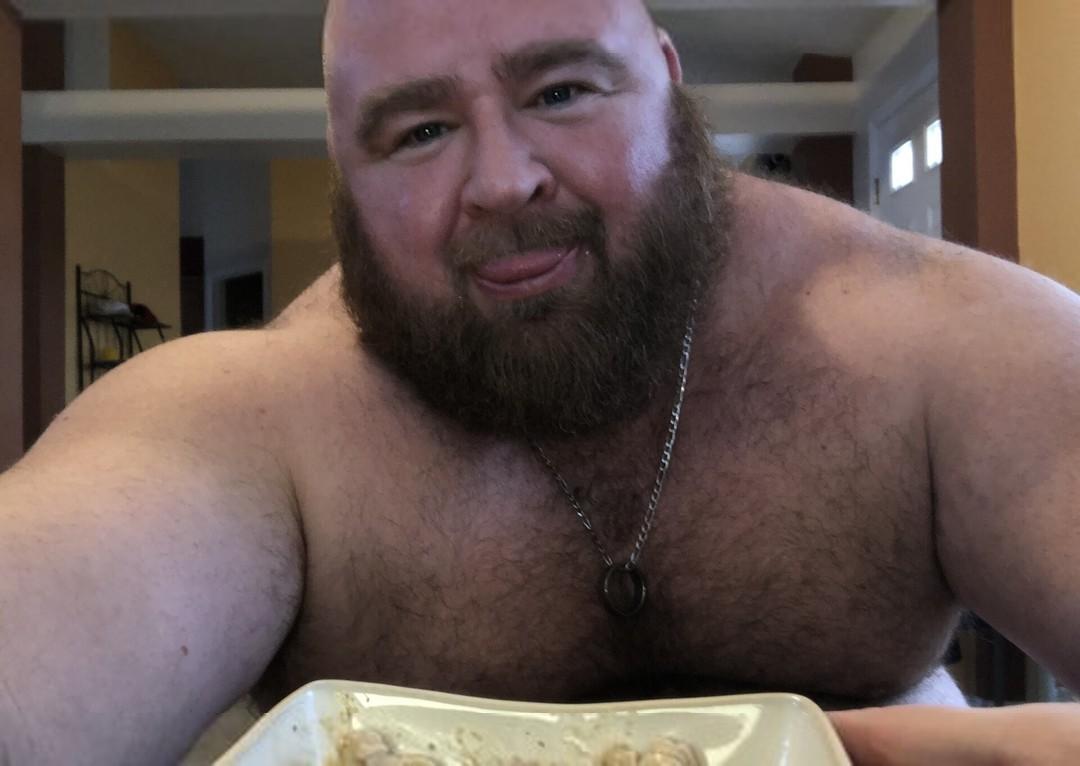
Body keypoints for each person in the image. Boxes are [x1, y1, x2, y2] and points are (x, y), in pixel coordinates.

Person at [1, 0, 1078, 763]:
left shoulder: (925, 335)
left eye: (562, 91)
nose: (503, 180)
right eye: (420, 131)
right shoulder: (256, 415)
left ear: (667, 81)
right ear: (343, 164)